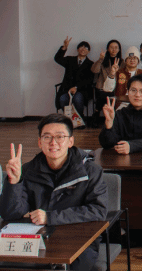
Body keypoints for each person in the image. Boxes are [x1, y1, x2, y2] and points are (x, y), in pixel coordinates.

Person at [0, 114, 107, 270]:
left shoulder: (90, 171)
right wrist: (14, 182)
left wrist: (50, 217)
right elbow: (11, 214)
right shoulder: (28, 170)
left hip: (79, 241)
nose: (53, 142)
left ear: (71, 141)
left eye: (60, 137)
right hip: (41, 239)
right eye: (47, 137)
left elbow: (98, 210)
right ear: (39, 142)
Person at [99, 74, 142, 154]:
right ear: (128, 92)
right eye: (133, 90)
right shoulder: (120, 114)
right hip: (122, 160)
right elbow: (106, 144)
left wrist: (132, 146)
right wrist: (109, 126)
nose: (137, 95)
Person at [54, 36, 94, 117]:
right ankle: (69, 117)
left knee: (77, 99)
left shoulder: (91, 64)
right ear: (77, 49)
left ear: (88, 51)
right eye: (81, 47)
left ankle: (79, 118)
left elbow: (89, 80)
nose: (83, 49)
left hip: (82, 90)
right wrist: (64, 47)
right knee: (63, 99)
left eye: (86, 48)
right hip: (67, 89)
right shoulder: (70, 60)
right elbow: (57, 59)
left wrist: (76, 87)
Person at [91, 39, 122, 112]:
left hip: (116, 87)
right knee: (105, 93)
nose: (114, 49)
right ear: (108, 49)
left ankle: (97, 111)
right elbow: (94, 70)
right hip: (102, 87)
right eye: (111, 47)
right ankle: (101, 112)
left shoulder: (122, 62)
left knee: (109, 95)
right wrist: (100, 59)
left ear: (119, 49)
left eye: (116, 47)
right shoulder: (103, 60)